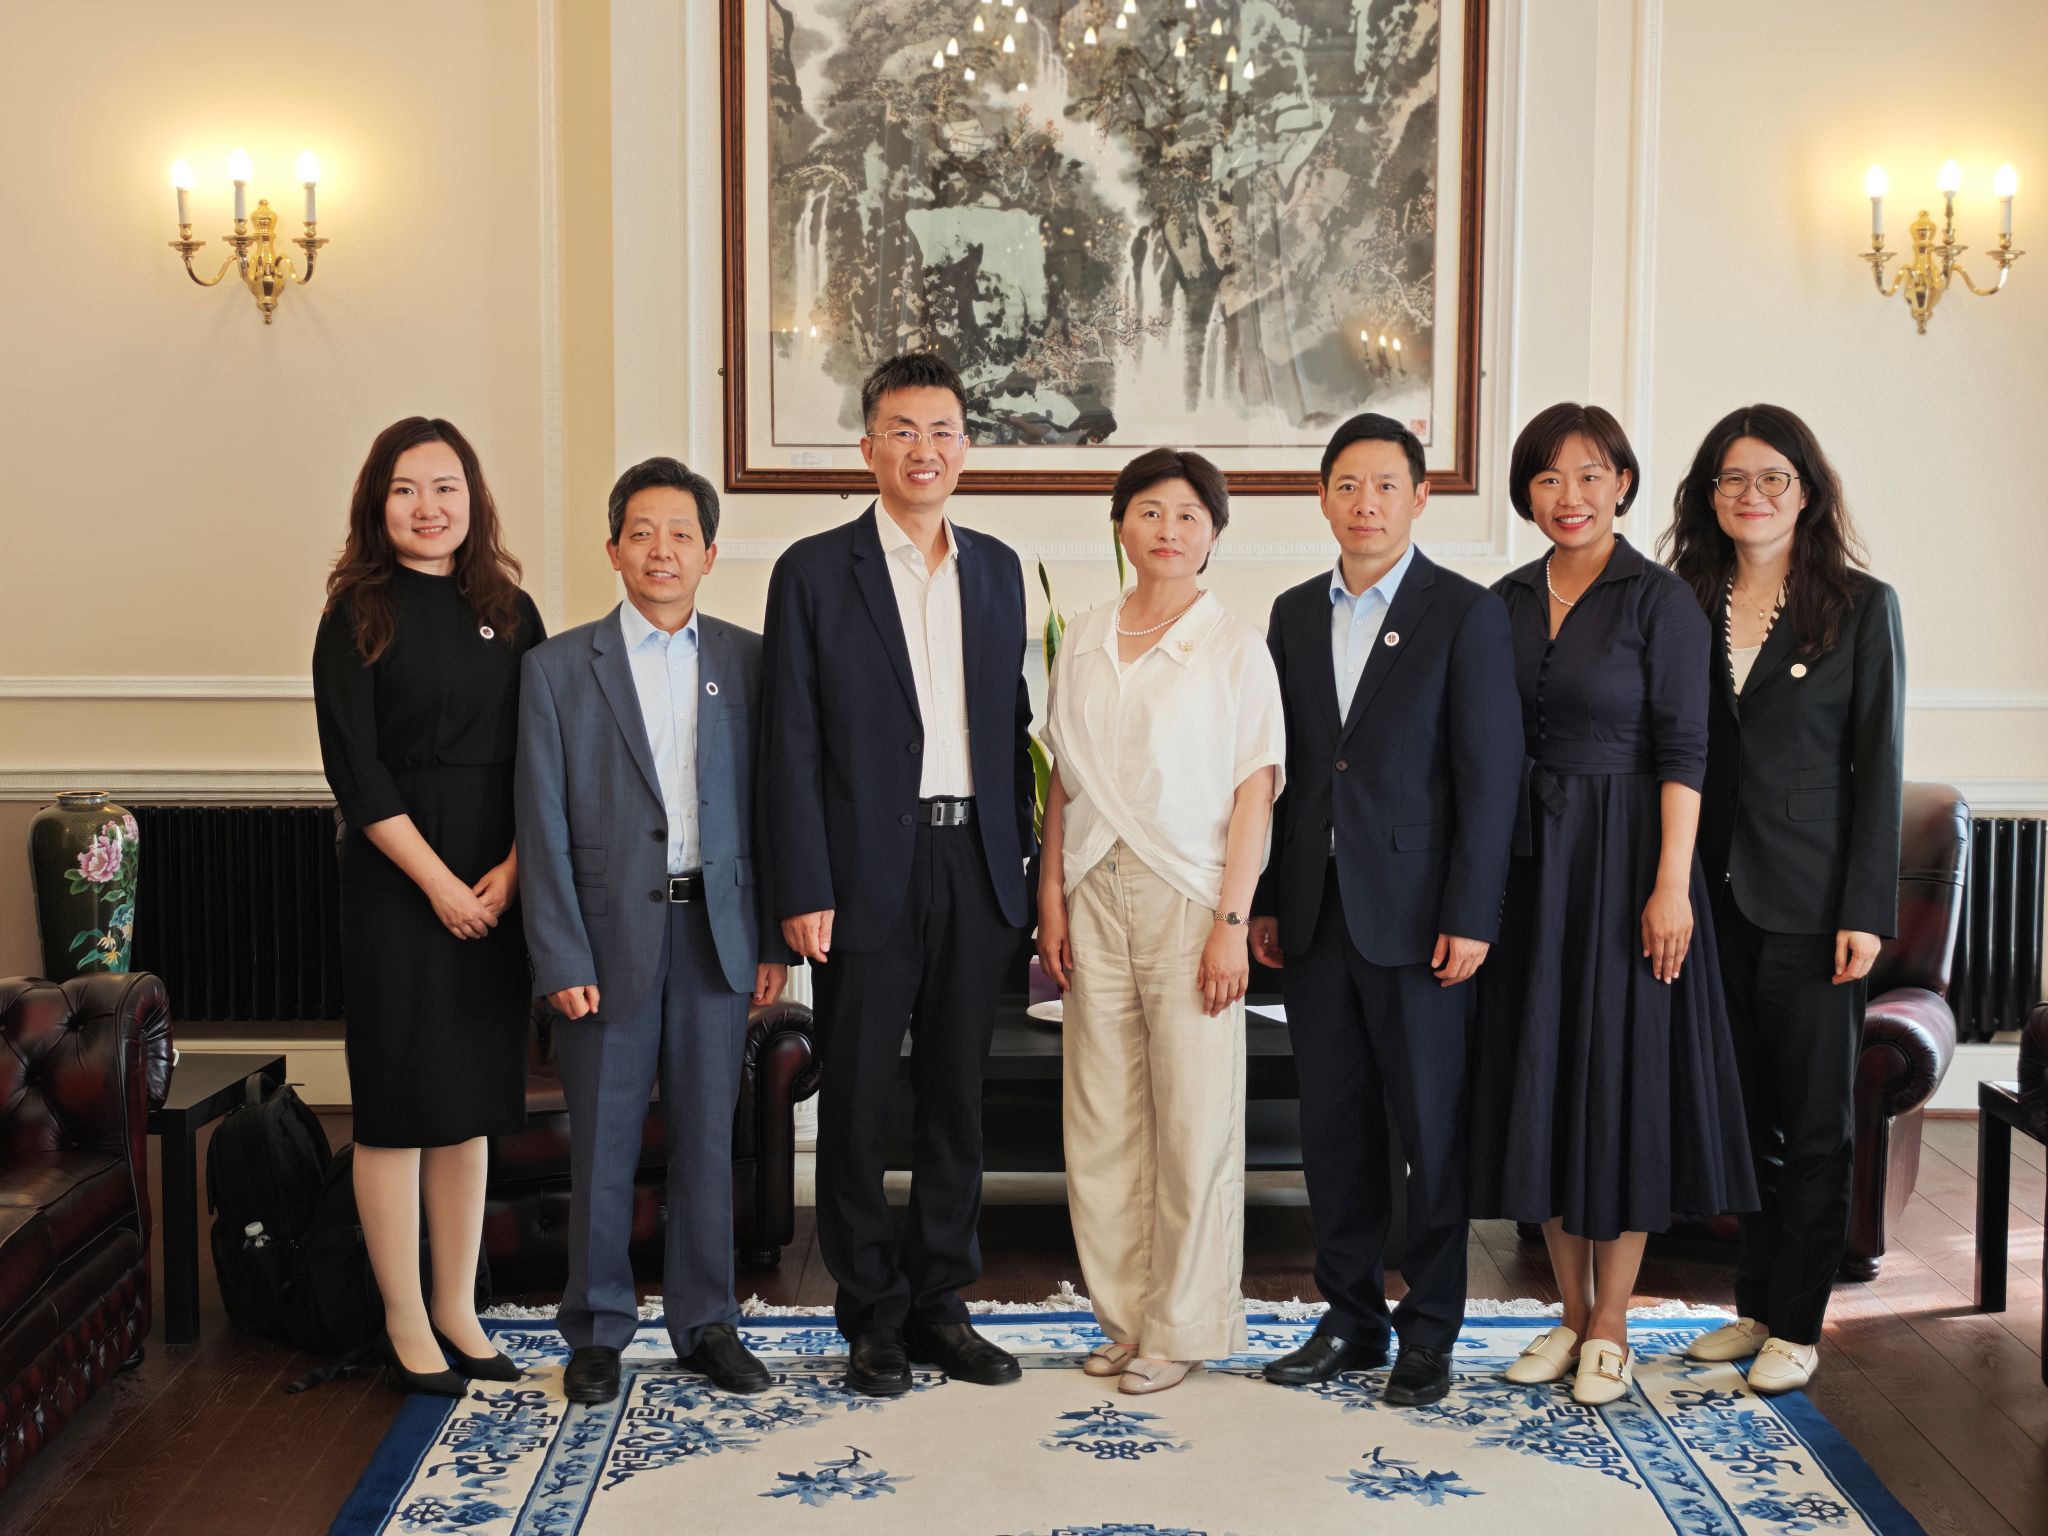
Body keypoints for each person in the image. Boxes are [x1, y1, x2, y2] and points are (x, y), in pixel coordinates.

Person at [1468, 403, 1756, 1405]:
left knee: (1620, 1082)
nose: (1570, 496)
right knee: (1540, 1079)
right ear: (1526, 492)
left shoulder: (1661, 601)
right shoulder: (1500, 600)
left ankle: (1612, 1322)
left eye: (1590, 475)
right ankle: (1564, 1311)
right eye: (1549, 478)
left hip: (1631, 862)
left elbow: (1686, 752)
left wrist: (1670, 885)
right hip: (1529, 867)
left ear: (1622, 483)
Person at [760, 353, 1036, 1396]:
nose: (924, 450)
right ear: (868, 446)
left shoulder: (997, 568)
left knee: (957, 1097)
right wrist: (801, 886)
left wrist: (1018, 861)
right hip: (861, 871)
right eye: (902, 431)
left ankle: (940, 1303)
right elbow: (789, 741)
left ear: (966, 447)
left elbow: (1009, 724)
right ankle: (870, 1313)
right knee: (860, 1097)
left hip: (975, 863)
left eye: (942, 431)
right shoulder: (813, 571)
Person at [1250, 414, 1521, 1406]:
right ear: (1321, 497)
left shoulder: (1465, 612)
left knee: (1429, 1133)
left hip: (1421, 924)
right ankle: (1351, 1318)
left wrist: (1472, 913)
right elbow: (1279, 773)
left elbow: (1489, 776)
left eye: (1385, 486)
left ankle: (1430, 1329)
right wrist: (1268, 900)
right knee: (1334, 1132)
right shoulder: (1290, 614)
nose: (1365, 504)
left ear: (1419, 497)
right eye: (1347, 486)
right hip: (1316, 918)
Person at [515, 458, 790, 1405]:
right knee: (604, 1139)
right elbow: (540, 821)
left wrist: (771, 939)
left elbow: (773, 810)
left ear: (710, 554)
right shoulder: (557, 669)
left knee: (709, 1139)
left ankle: (706, 1324)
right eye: (642, 533)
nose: (661, 550)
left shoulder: (752, 662)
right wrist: (558, 952)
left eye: (680, 534)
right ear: (613, 549)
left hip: (719, 933)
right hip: (604, 942)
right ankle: (597, 1330)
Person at [1664, 405, 1903, 1395]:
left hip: (1811, 906)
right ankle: (1755, 1306)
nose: (1750, 494)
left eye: (1771, 477)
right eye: (1731, 478)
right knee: (1740, 1113)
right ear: (1708, 495)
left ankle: (1798, 1324)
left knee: (1812, 1126)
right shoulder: (1681, 599)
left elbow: (1877, 765)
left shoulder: (1858, 605)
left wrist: (1866, 909)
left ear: (1806, 492)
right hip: (1703, 898)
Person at [1036, 449, 1285, 1395]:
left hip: (1192, 896)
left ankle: (1181, 1324)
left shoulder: (1235, 646)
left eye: (1188, 514)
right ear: (1121, 524)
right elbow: (1062, 781)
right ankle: (1124, 1315)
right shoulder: (1085, 634)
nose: (1168, 529)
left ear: (1214, 533)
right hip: (1092, 889)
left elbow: (1255, 793)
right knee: (1100, 1116)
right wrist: (1051, 898)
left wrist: (1233, 920)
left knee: (1192, 1115)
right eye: (1149, 510)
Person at [312, 417, 544, 1396]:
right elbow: (357, 774)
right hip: (398, 887)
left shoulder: (511, 610)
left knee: (467, 1106)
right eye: (406, 489)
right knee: (398, 1107)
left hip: (497, 882)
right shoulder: (354, 614)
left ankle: (458, 1308)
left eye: (445, 487)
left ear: (472, 498)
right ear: (379, 503)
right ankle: (405, 1318)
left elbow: (543, 756)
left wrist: (514, 870)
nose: (428, 507)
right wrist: (440, 885)